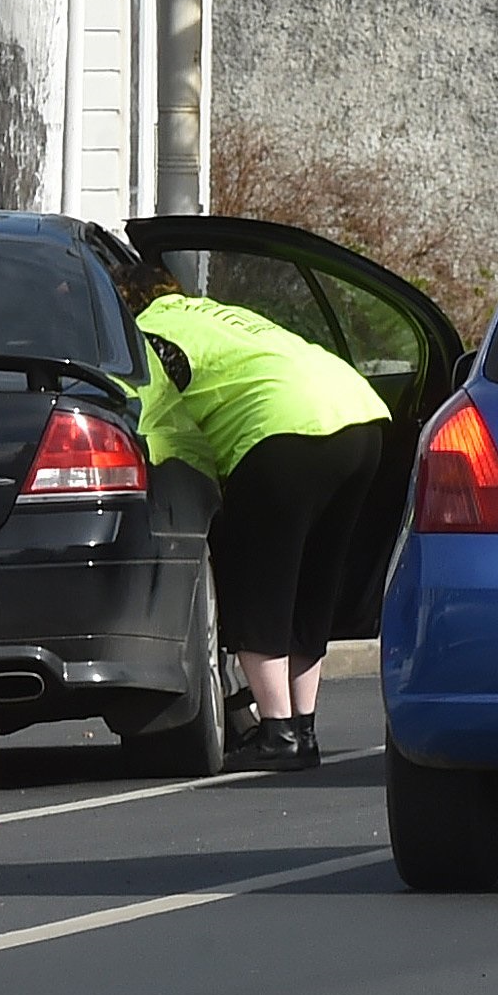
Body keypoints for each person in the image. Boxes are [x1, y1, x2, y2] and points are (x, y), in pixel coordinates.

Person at [118, 261, 390, 771]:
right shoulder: (216, 314)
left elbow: (157, 424)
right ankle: (304, 728)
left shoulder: (146, 334)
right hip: (360, 416)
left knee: (259, 583)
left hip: (281, 430)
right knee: (314, 584)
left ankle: (276, 732)